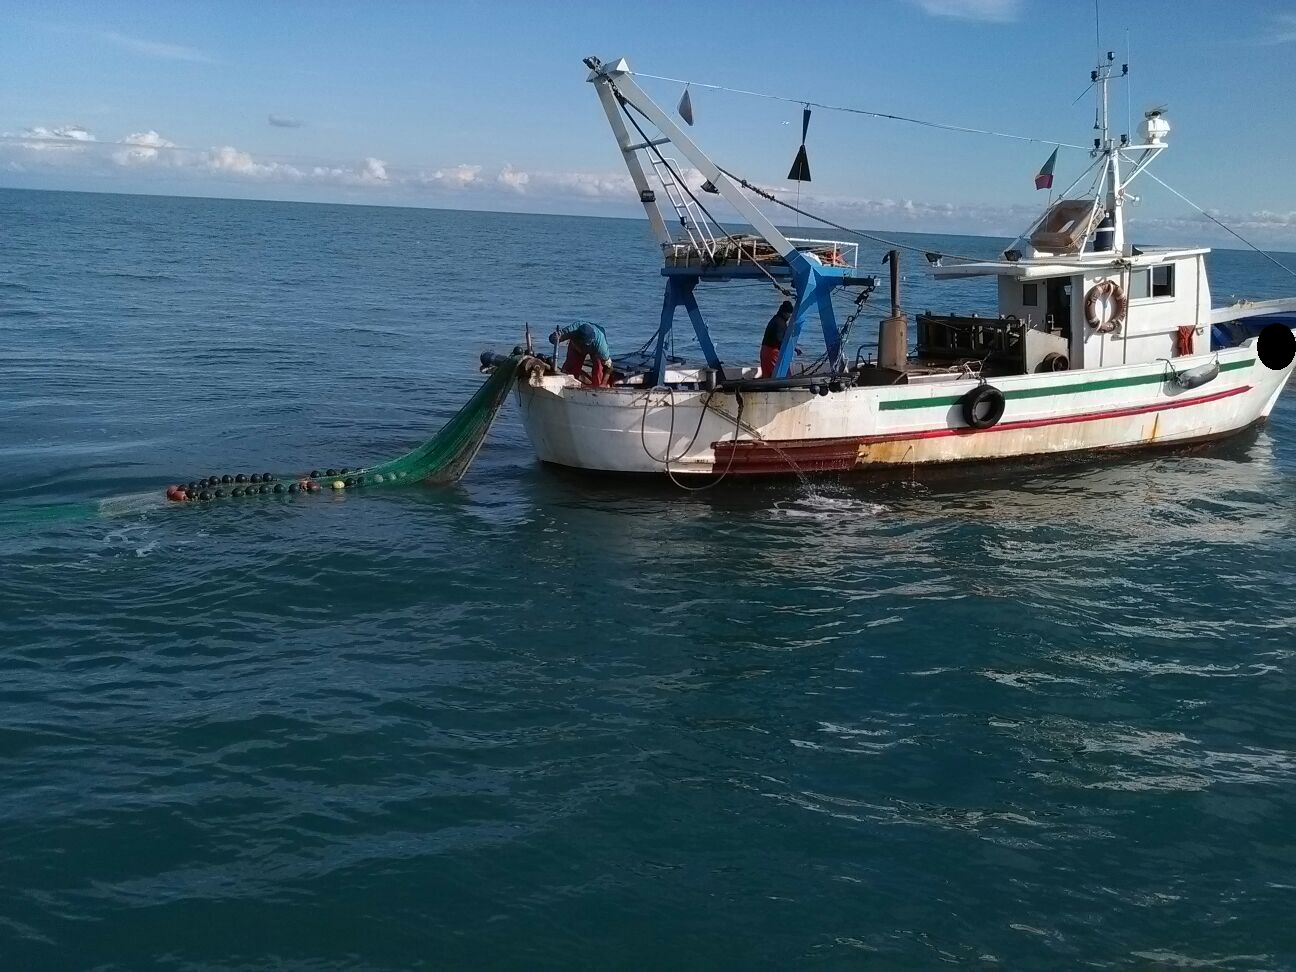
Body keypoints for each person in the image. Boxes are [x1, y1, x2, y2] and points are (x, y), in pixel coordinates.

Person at [550, 321, 613, 387]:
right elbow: (552, 339)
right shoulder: (572, 330)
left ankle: (598, 388)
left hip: (595, 350)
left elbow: (609, 367)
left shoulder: (601, 345)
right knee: (570, 369)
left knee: (599, 369)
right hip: (576, 347)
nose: (587, 345)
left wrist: (603, 384)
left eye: (589, 342)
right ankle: (569, 385)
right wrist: (554, 337)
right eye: (585, 343)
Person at [760, 300, 800, 378]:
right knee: (783, 375)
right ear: (784, 313)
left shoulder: (775, 319)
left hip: (765, 351)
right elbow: (779, 340)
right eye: (789, 314)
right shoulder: (780, 323)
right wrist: (792, 348)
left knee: (767, 376)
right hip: (772, 353)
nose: (789, 316)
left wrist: (794, 348)